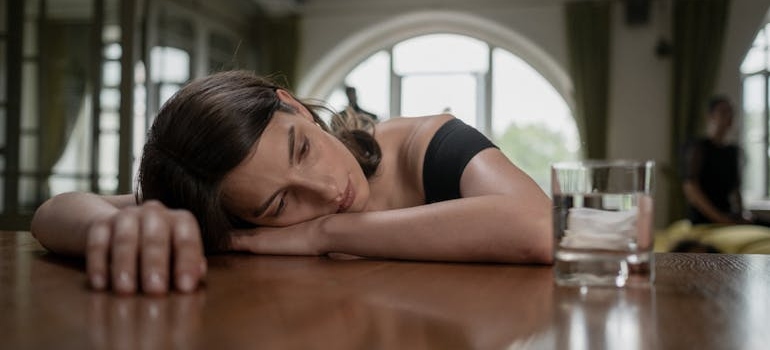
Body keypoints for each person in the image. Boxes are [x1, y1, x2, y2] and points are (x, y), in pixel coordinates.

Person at [30, 70, 552, 295]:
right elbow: (55, 214)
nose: (326, 192)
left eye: (301, 148)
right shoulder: (228, 204)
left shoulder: (425, 143)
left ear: (294, 104)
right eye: (280, 203)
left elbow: (537, 227)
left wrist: (322, 234)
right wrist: (120, 226)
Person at [682, 95, 751, 225]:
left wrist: (741, 214)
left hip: (728, 214)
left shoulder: (733, 151)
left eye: (731, 111)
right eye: (723, 111)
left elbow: (736, 189)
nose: (729, 115)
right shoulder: (698, 147)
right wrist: (721, 219)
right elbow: (690, 187)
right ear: (710, 116)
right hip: (704, 218)